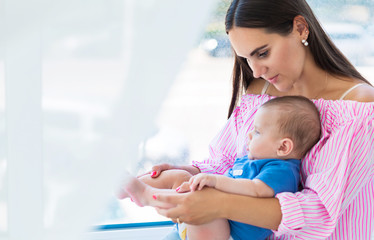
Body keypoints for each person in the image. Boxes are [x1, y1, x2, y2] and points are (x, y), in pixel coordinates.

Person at [122, 0, 374, 239]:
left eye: (262, 53)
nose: (255, 71)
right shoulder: (260, 92)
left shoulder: (359, 108)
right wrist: (186, 173)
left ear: (300, 28)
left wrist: (218, 204)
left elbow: (319, 213)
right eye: (246, 58)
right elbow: (228, 164)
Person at [119, 96, 321, 240]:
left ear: (283, 146)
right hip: (204, 222)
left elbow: (256, 190)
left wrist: (215, 181)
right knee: (178, 175)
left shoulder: (282, 170)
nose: (249, 136)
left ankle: (145, 194)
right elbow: (220, 174)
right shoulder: (248, 160)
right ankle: (126, 187)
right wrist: (190, 172)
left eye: (257, 132)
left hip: (226, 234)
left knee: (204, 197)